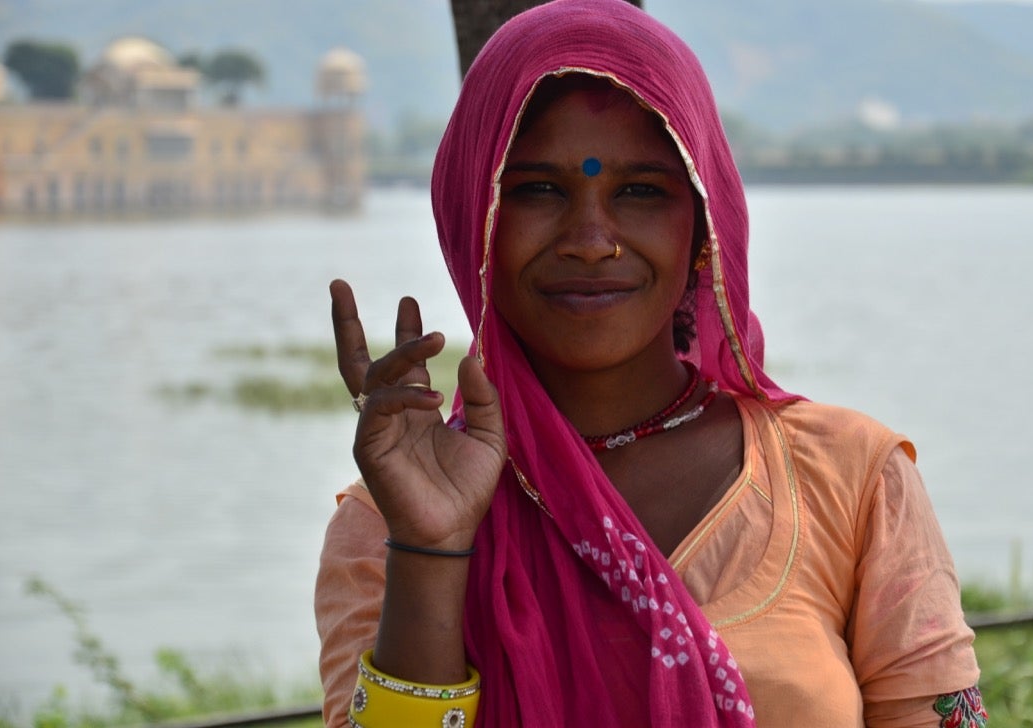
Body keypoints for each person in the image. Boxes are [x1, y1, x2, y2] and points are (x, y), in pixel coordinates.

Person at [315, 1, 985, 726]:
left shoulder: (850, 479)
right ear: (471, 216)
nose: (592, 239)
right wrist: (431, 550)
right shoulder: (388, 521)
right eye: (539, 189)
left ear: (703, 226)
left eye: (640, 191)